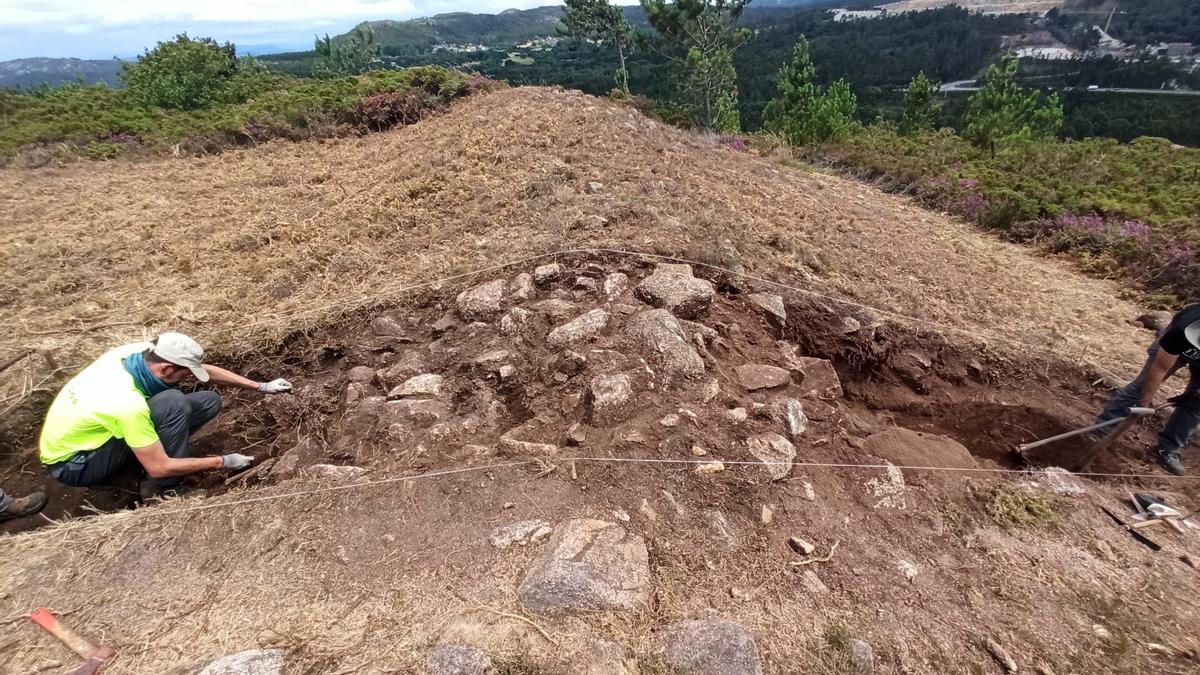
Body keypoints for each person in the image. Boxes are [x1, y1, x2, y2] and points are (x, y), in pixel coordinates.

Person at [39, 332, 293, 499]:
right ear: (166, 368)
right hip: (75, 463)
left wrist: (262, 386)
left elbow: (203, 370)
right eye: (185, 373)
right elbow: (159, 467)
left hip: (95, 435)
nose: (188, 377)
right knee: (172, 403)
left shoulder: (140, 353)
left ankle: (143, 456)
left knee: (207, 401)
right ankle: (162, 491)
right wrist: (224, 461)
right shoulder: (127, 404)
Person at [1097, 304, 1200, 475]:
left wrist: (1195, 393)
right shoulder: (1180, 331)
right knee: (1141, 387)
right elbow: (1159, 368)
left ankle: (1167, 449)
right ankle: (1101, 431)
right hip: (1174, 347)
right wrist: (1145, 402)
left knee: (1196, 404)